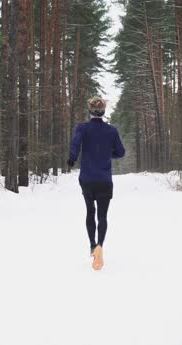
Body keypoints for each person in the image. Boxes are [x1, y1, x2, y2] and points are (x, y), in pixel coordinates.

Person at [67, 96, 126, 271]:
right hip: (104, 180)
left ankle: (92, 245)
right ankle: (100, 245)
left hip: (87, 179)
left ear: (90, 110)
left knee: (90, 212)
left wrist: (72, 159)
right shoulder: (112, 131)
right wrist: (108, 155)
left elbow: (76, 144)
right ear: (103, 111)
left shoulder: (82, 128)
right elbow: (121, 152)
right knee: (102, 215)